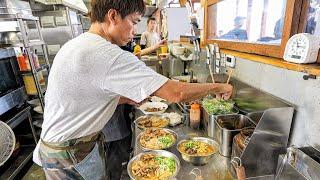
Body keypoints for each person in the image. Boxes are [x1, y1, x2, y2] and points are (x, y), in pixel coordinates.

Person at [32, 0, 233, 179]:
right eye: (134, 21)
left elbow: (82, 96)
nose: (135, 31)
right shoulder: (107, 53)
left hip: (57, 149)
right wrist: (218, 86)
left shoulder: (77, 44)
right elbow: (176, 93)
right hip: (70, 155)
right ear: (113, 16)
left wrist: (122, 99)